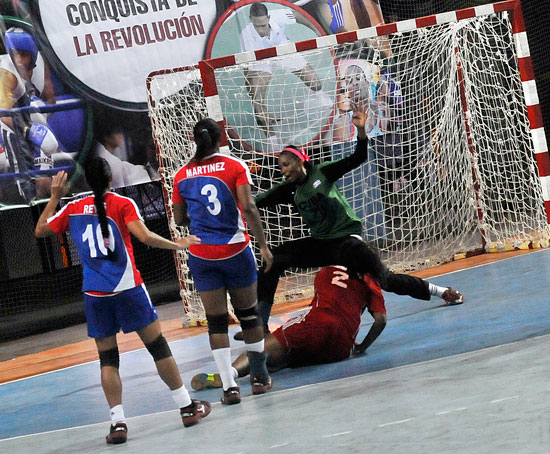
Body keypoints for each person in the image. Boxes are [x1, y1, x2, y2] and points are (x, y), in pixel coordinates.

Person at [234, 104, 463, 340]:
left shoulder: (323, 173)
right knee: (273, 260)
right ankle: (259, 325)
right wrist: (231, 193)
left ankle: (441, 291)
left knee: (386, 280)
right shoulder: (288, 189)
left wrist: (361, 131)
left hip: (346, 243)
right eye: (280, 166)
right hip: (322, 245)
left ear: (300, 160)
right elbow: (252, 202)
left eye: (286, 164)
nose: (283, 170)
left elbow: (358, 157)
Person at [34, 158, 211, 445]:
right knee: (158, 347)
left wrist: (54, 197)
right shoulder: (122, 203)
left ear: (86, 182)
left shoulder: (72, 208)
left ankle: (118, 423)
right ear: (111, 178)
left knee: (108, 359)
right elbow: (145, 236)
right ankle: (187, 407)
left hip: (96, 295)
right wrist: (177, 245)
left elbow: (40, 230)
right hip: (128, 288)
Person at [172, 118, 274, 405]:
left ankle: (229, 388)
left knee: (216, 323)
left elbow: (179, 218)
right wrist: (263, 246)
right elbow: (249, 207)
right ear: (221, 138)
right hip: (235, 251)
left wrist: (201, 220)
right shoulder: (234, 166)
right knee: (249, 315)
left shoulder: (182, 175)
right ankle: (259, 378)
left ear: (194, 139)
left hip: (202, 255)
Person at [191, 265, 386, 389]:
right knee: (283, 360)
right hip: (342, 347)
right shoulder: (370, 281)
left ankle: (228, 375)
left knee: (259, 349)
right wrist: (362, 346)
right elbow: (380, 320)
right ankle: (273, 363)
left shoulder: (326, 271)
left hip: (316, 325)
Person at [239, 2, 333, 152]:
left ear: (269, 18)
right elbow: (246, 67)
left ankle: (319, 95)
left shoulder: (278, 16)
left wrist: (316, 30)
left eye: (263, 25)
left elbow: (297, 15)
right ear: (250, 19)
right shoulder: (245, 35)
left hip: (282, 48)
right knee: (257, 102)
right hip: (260, 59)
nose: (261, 30)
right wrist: (253, 96)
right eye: (257, 26)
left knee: (314, 81)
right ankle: (273, 142)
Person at [0, 27, 59, 202]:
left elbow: (51, 99)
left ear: (32, 56)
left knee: (39, 117)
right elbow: (4, 115)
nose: (18, 59)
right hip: (6, 124)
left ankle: (42, 183)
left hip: (20, 114)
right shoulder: (7, 74)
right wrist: (26, 131)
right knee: (7, 131)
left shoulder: (37, 68)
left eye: (23, 55)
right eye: (15, 54)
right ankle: (23, 191)